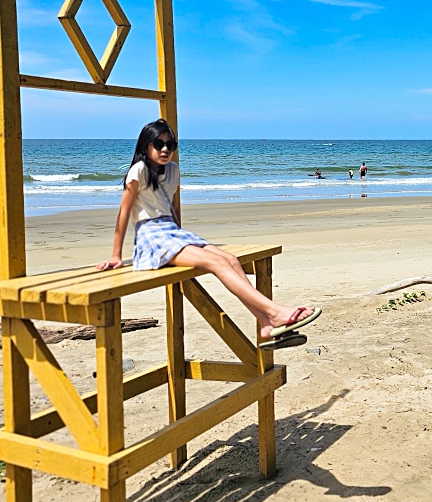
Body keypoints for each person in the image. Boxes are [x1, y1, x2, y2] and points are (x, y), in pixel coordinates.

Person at [98, 120, 321, 341]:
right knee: (218, 263)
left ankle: (264, 323)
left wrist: (186, 243)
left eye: (170, 145)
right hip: (151, 237)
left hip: (172, 233)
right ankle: (275, 312)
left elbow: (174, 210)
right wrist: (116, 256)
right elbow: (124, 213)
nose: (165, 149)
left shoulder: (173, 170)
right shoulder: (139, 171)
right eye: (158, 144)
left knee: (230, 259)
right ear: (146, 145)